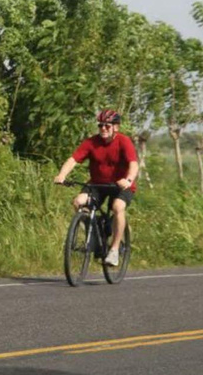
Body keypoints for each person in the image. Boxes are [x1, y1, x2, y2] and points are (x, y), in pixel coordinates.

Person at [53, 109, 139, 266]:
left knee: (118, 207)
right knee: (78, 202)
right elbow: (73, 160)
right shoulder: (91, 142)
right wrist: (62, 175)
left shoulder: (124, 141)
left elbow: (133, 164)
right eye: (100, 125)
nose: (103, 128)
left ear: (116, 127)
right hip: (97, 184)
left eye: (107, 125)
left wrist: (128, 179)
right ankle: (93, 234)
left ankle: (114, 249)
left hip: (120, 185)